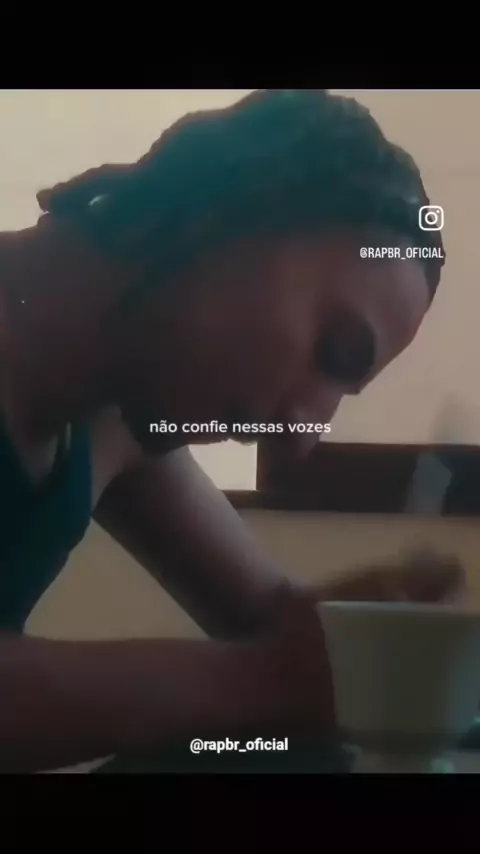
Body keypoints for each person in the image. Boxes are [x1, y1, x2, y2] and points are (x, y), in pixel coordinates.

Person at [0, 88, 462, 772]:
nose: (302, 436)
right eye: (334, 352)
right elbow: (268, 667)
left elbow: (270, 617)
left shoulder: (111, 417)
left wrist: (368, 628)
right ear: (236, 211)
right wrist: (267, 679)